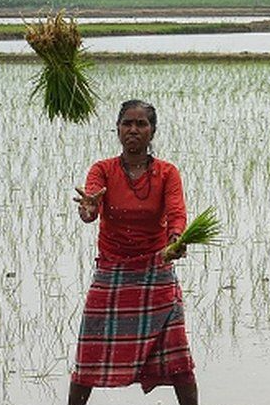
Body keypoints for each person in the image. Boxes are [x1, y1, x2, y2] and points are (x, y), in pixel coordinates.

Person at [69, 100, 198, 405]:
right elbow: (90, 210)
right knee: (88, 357)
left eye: (141, 124)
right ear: (117, 129)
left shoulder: (166, 173)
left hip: (156, 270)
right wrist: (88, 209)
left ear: (152, 131)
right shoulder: (102, 170)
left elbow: (176, 212)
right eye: (127, 123)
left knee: (178, 359)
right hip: (112, 270)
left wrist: (176, 240)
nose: (133, 130)